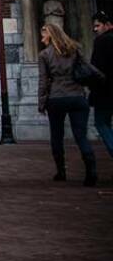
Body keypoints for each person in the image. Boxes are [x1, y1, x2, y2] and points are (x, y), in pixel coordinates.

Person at [38, 23, 97, 186]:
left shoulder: (44, 55)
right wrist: (100, 79)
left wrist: (41, 102)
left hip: (56, 98)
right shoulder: (75, 49)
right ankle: (91, 169)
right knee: (81, 136)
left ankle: (61, 171)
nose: (41, 36)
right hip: (77, 96)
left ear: (51, 35)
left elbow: (43, 81)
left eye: (44, 33)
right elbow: (88, 68)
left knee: (56, 136)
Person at [90, 11, 113, 163]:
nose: (95, 29)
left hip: (105, 91)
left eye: (98, 26)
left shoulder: (101, 41)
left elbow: (95, 68)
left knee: (101, 122)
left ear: (108, 25)